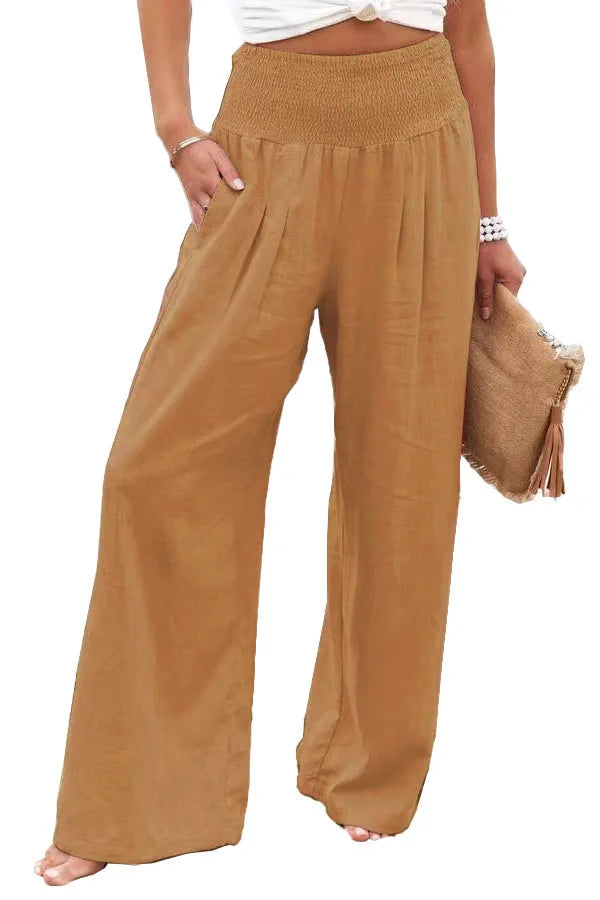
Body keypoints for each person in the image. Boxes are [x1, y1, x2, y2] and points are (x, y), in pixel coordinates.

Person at [34, 0, 526, 886]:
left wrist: (490, 224)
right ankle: (133, 798)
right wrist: (176, 128)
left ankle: (367, 768)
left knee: (404, 475)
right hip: (263, 144)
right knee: (156, 469)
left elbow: (470, 35)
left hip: (425, 137)